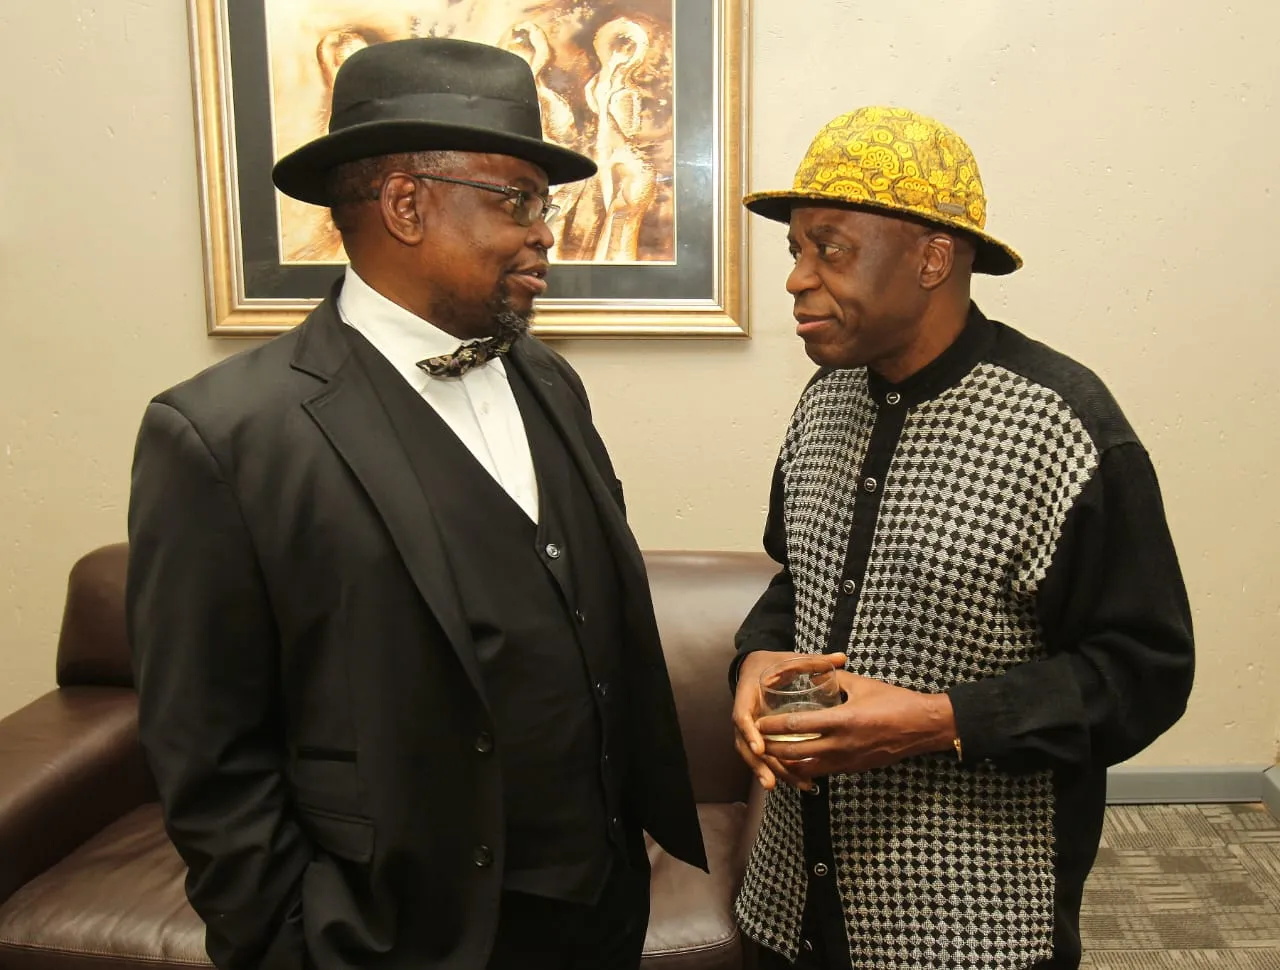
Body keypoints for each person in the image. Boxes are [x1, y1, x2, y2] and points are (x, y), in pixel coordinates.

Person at [126, 37, 705, 970]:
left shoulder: (549, 379)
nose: (546, 233)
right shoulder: (223, 435)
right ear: (405, 204)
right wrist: (290, 943)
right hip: (401, 934)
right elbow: (208, 754)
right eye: (518, 201)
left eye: (545, 205)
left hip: (598, 910)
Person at [728, 105, 1194, 970]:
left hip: (968, 924)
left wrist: (938, 723)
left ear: (933, 260)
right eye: (795, 249)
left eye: (830, 248)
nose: (796, 278)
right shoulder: (823, 403)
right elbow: (798, 581)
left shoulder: (1062, 429)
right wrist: (756, 659)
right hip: (792, 901)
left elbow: (1144, 672)